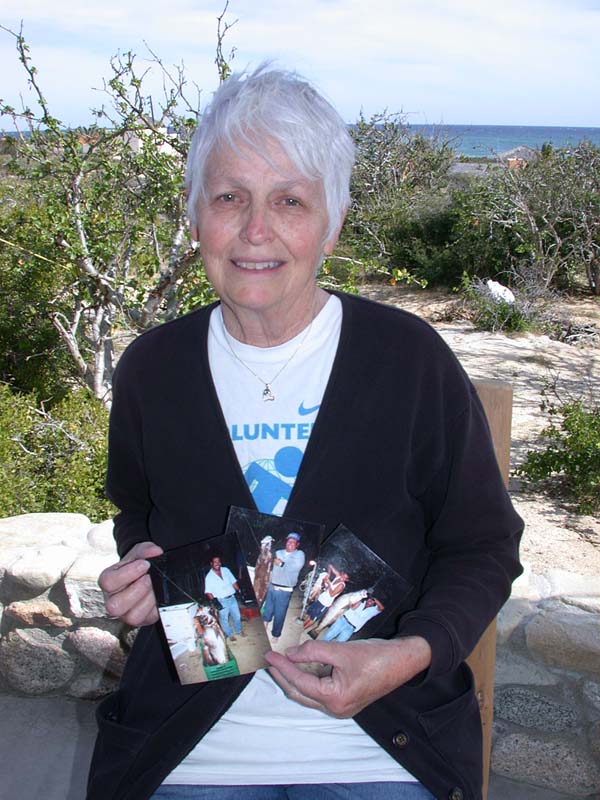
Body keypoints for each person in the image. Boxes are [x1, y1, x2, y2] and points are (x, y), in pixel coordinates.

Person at [91, 65, 523, 800]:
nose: (256, 231)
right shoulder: (152, 371)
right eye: (230, 198)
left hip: (382, 751)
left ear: (333, 221)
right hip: (191, 749)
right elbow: (135, 508)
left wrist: (412, 653)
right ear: (195, 216)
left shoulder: (409, 362)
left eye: (289, 200)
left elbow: (482, 546)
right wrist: (140, 563)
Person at [261, 532, 305, 642]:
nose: (290, 543)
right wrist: (266, 544)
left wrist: (281, 564)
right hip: (272, 586)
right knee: (268, 609)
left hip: (284, 590)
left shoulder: (299, 554)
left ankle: (276, 634)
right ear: (286, 541)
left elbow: (296, 567)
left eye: (293, 542)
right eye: (289, 541)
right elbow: (267, 559)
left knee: (280, 613)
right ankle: (265, 623)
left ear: (297, 544)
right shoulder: (278, 552)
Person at [203, 556, 244, 641]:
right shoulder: (209, 577)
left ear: (220, 563)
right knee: (224, 619)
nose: (217, 563)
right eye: (215, 562)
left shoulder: (226, 570)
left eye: (218, 561)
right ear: (211, 564)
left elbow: (233, 581)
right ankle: (229, 634)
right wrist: (215, 602)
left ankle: (239, 630)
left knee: (237, 616)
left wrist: (239, 591)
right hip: (221, 601)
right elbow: (208, 592)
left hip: (232, 598)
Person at [303, 564, 348, 630]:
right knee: (310, 614)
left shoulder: (341, 585)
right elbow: (330, 566)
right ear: (342, 573)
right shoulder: (338, 576)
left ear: (347, 580)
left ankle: (304, 628)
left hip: (325, 604)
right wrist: (328, 575)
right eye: (343, 575)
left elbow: (332, 594)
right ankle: (302, 626)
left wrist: (328, 582)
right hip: (321, 599)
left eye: (345, 578)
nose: (343, 578)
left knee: (313, 618)